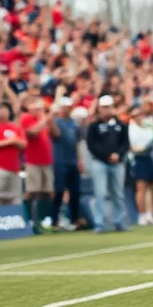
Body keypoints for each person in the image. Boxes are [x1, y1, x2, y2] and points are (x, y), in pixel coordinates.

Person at [85, 95, 130, 233]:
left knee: (118, 193)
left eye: (108, 107)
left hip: (118, 163)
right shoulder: (94, 126)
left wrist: (118, 155)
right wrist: (106, 156)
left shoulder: (120, 125)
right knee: (100, 193)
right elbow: (91, 145)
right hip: (100, 162)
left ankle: (118, 221)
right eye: (104, 107)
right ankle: (99, 223)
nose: (106, 110)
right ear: (99, 108)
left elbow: (125, 143)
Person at [19, 93, 54, 232]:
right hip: (32, 160)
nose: (40, 111)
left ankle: (40, 220)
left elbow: (55, 134)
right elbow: (32, 133)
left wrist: (49, 121)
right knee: (32, 191)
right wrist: (46, 118)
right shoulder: (27, 118)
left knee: (47, 192)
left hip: (46, 160)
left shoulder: (42, 120)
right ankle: (28, 220)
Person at [48, 97, 83, 230]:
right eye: (64, 106)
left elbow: (77, 143)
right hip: (60, 161)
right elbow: (55, 134)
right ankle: (54, 220)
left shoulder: (74, 124)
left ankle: (75, 219)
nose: (67, 109)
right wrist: (51, 116)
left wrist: (80, 160)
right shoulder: (57, 122)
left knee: (75, 191)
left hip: (73, 161)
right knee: (59, 190)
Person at [128, 104, 153, 226]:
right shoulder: (130, 128)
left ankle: (149, 215)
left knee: (152, 187)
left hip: (149, 158)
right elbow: (133, 147)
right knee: (141, 188)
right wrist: (141, 148)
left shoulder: (147, 127)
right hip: (137, 160)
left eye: (140, 114)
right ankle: (141, 216)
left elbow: (152, 140)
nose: (139, 117)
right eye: (135, 115)